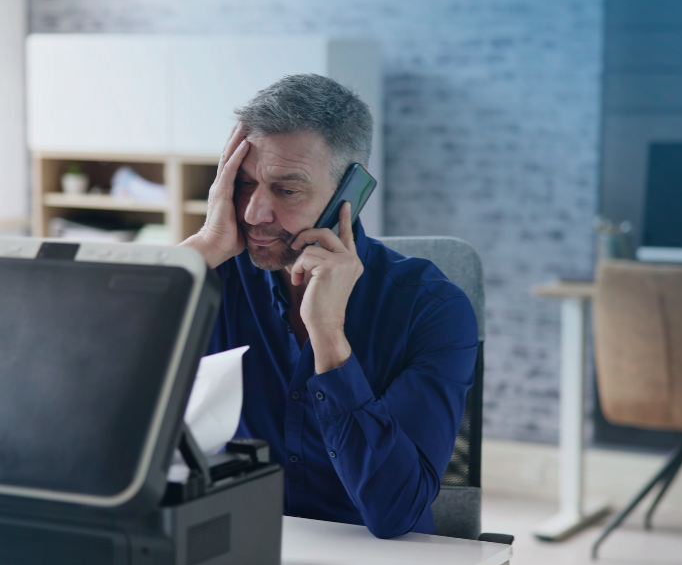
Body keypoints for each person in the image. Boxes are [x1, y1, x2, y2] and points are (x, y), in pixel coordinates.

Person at [180, 74, 479, 538]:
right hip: (242, 544)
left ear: (350, 195)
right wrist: (203, 246)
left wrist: (328, 338)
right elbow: (85, 367)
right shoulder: (212, 275)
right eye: (243, 183)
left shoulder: (431, 309)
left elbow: (394, 512)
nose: (254, 212)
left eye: (287, 190)